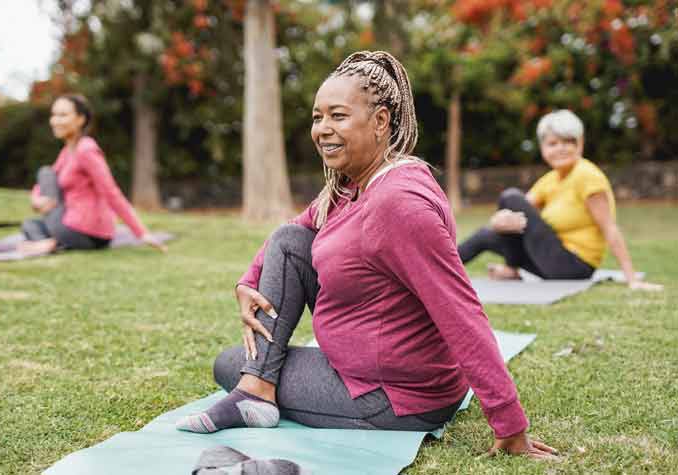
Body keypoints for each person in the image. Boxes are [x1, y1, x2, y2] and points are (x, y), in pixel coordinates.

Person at [176, 51, 558, 460]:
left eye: (338, 116)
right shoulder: (352, 186)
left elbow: (461, 312)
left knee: (228, 363)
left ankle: (255, 388)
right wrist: (247, 281)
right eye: (317, 117)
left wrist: (510, 424)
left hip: (394, 396)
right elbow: (295, 229)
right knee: (289, 241)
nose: (323, 129)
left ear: (380, 122)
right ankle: (258, 388)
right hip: (366, 371)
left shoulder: (399, 204)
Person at [458, 109, 662, 291]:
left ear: (580, 144)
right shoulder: (550, 180)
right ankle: (434, 272)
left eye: (568, 142)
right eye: (553, 143)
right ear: (543, 148)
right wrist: (497, 221)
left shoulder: (587, 175)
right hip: (549, 259)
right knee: (485, 234)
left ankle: (511, 269)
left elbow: (609, 227)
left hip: (574, 265)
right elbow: (517, 212)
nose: (561, 149)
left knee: (510, 195)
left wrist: (632, 279)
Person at [19, 94, 165, 255]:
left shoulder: (86, 150)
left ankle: (53, 243)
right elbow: (45, 181)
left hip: (87, 231)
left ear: (80, 119)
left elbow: (111, 192)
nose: (55, 121)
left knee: (45, 172)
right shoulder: (68, 151)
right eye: (54, 115)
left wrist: (141, 232)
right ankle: (51, 243)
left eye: (63, 115)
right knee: (30, 223)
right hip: (69, 225)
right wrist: (36, 199)